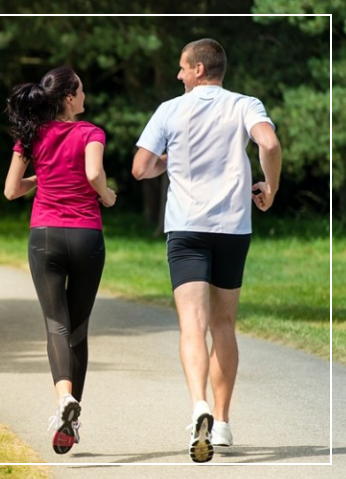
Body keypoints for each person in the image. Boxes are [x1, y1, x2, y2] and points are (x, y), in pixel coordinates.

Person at [131, 38, 282, 463]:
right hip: (232, 228)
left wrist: (169, 161)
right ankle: (224, 421)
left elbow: (140, 168)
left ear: (199, 69)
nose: (178, 74)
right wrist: (271, 187)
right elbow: (269, 145)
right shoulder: (245, 104)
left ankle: (199, 405)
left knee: (192, 326)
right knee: (224, 324)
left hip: (186, 230)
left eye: (182, 67)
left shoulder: (169, 110)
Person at [4, 66, 117, 454]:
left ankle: (64, 399)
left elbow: (10, 190)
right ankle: (71, 417)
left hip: (45, 237)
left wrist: (43, 178)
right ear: (69, 97)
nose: (84, 96)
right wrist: (107, 195)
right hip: (87, 237)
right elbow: (93, 172)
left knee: (56, 324)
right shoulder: (91, 133)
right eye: (81, 90)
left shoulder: (31, 135)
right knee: (78, 329)